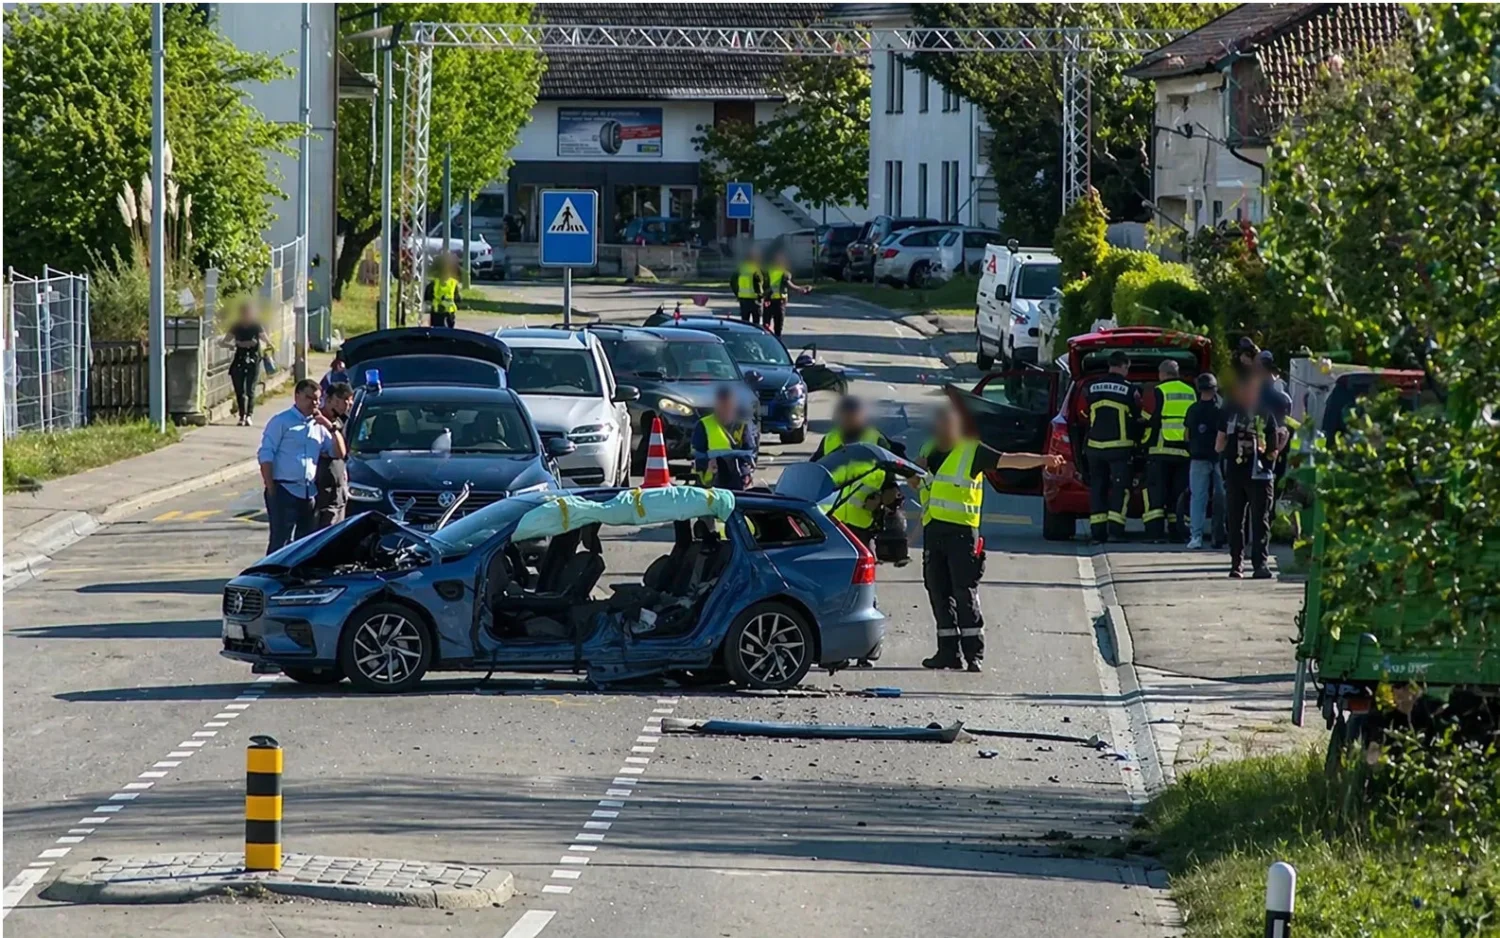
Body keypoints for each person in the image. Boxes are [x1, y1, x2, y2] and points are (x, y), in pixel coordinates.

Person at [913, 402, 1061, 673]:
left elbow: (1011, 460)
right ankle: (948, 652)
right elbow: (917, 481)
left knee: (964, 592)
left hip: (961, 533)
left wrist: (1043, 460)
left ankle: (974, 654)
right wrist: (910, 470)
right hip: (933, 529)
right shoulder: (928, 449)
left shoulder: (972, 451)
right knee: (938, 590)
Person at [258, 379, 345, 554]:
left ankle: (298, 578)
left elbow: (340, 453)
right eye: (309, 398)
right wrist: (271, 487)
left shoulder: (319, 426)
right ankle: (273, 576)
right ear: (297, 396)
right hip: (284, 489)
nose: (314, 403)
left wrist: (332, 428)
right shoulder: (281, 421)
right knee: (280, 541)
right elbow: (266, 455)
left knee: (305, 544)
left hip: (309, 492)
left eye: (317, 399)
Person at [1217, 373, 1286, 579]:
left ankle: (1236, 565)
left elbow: (1219, 444)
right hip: (1261, 476)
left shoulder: (1227, 412)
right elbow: (1273, 450)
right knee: (1260, 521)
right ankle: (1260, 566)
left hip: (1234, 474)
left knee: (1236, 521)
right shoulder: (1266, 413)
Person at [1083, 351, 1141, 544]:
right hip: (1120, 448)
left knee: (1098, 488)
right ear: (1124, 366)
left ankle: (1097, 533)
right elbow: (1137, 416)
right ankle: (1115, 532)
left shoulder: (1091, 387)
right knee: (1120, 489)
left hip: (1094, 448)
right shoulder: (1129, 389)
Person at [1140, 360, 1195, 543]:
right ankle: (1178, 532)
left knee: (1156, 492)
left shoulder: (1158, 391)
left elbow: (1149, 418)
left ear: (1162, 374)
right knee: (1178, 494)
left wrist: (1142, 441)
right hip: (1184, 452)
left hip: (1160, 449)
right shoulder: (1190, 391)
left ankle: (1155, 533)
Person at [1185, 372, 1227, 550]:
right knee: (1222, 497)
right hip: (1220, 458)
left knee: (1198, 498)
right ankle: (1219, 535)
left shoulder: (1193, 409)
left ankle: (1196, 537)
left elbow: (1186, 435)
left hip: (1198, 457)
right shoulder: (1223, 409)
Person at [692, 384, 758, 491]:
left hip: (736, 478)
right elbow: (697, 454)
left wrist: (746, 472)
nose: (726, 409)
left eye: (729, 405)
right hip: (712, 478)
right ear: (716, 405)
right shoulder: (704, 424)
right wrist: (707, 464)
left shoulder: (742, 425)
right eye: (723, 405)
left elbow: (749, 452)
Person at [220, 301, 267, 426]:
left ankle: (249, 415)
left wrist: (268, 345)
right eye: (244, 313)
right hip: (239, 359)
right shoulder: (236, 326)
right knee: (240, 390)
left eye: (249, 313)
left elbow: (264, 338)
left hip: (253, 359)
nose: (247, 315)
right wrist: (235, 345)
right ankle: (242, 415)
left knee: (250, 389)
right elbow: (225, 341)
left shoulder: (256, 325)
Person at [313, 382, 354, 530]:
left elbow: (343, 454)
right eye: (343, 400)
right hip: (323, 491)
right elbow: (338, 452)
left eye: (350, 400)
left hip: (338, 490)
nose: (348, 404)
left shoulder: (340, 421)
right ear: (329, 400)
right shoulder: (316, 422)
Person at [762, 251, 811, 338]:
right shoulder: (784, 273)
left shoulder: (767, 272)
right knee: (778, 327)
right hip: (779, 303)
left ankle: (767, 342)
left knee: (766, 326)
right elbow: (790, 286)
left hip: (768, 301)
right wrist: (801, 289)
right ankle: (777, 342)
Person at [424, 253, 462, 328]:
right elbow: (458, 299)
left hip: (440, 313)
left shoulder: (434, 284)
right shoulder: (453, 283)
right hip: (444, 313)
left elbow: (427, 298)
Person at [733, 248, 766, 327]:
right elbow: (759, 283)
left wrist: (737, 293)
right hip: (754, 299)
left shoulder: (740, 269)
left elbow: (733, 282)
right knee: (756, 323)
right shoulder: (756, 269)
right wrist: (761, 295)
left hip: (743, 299)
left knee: (744, 322)